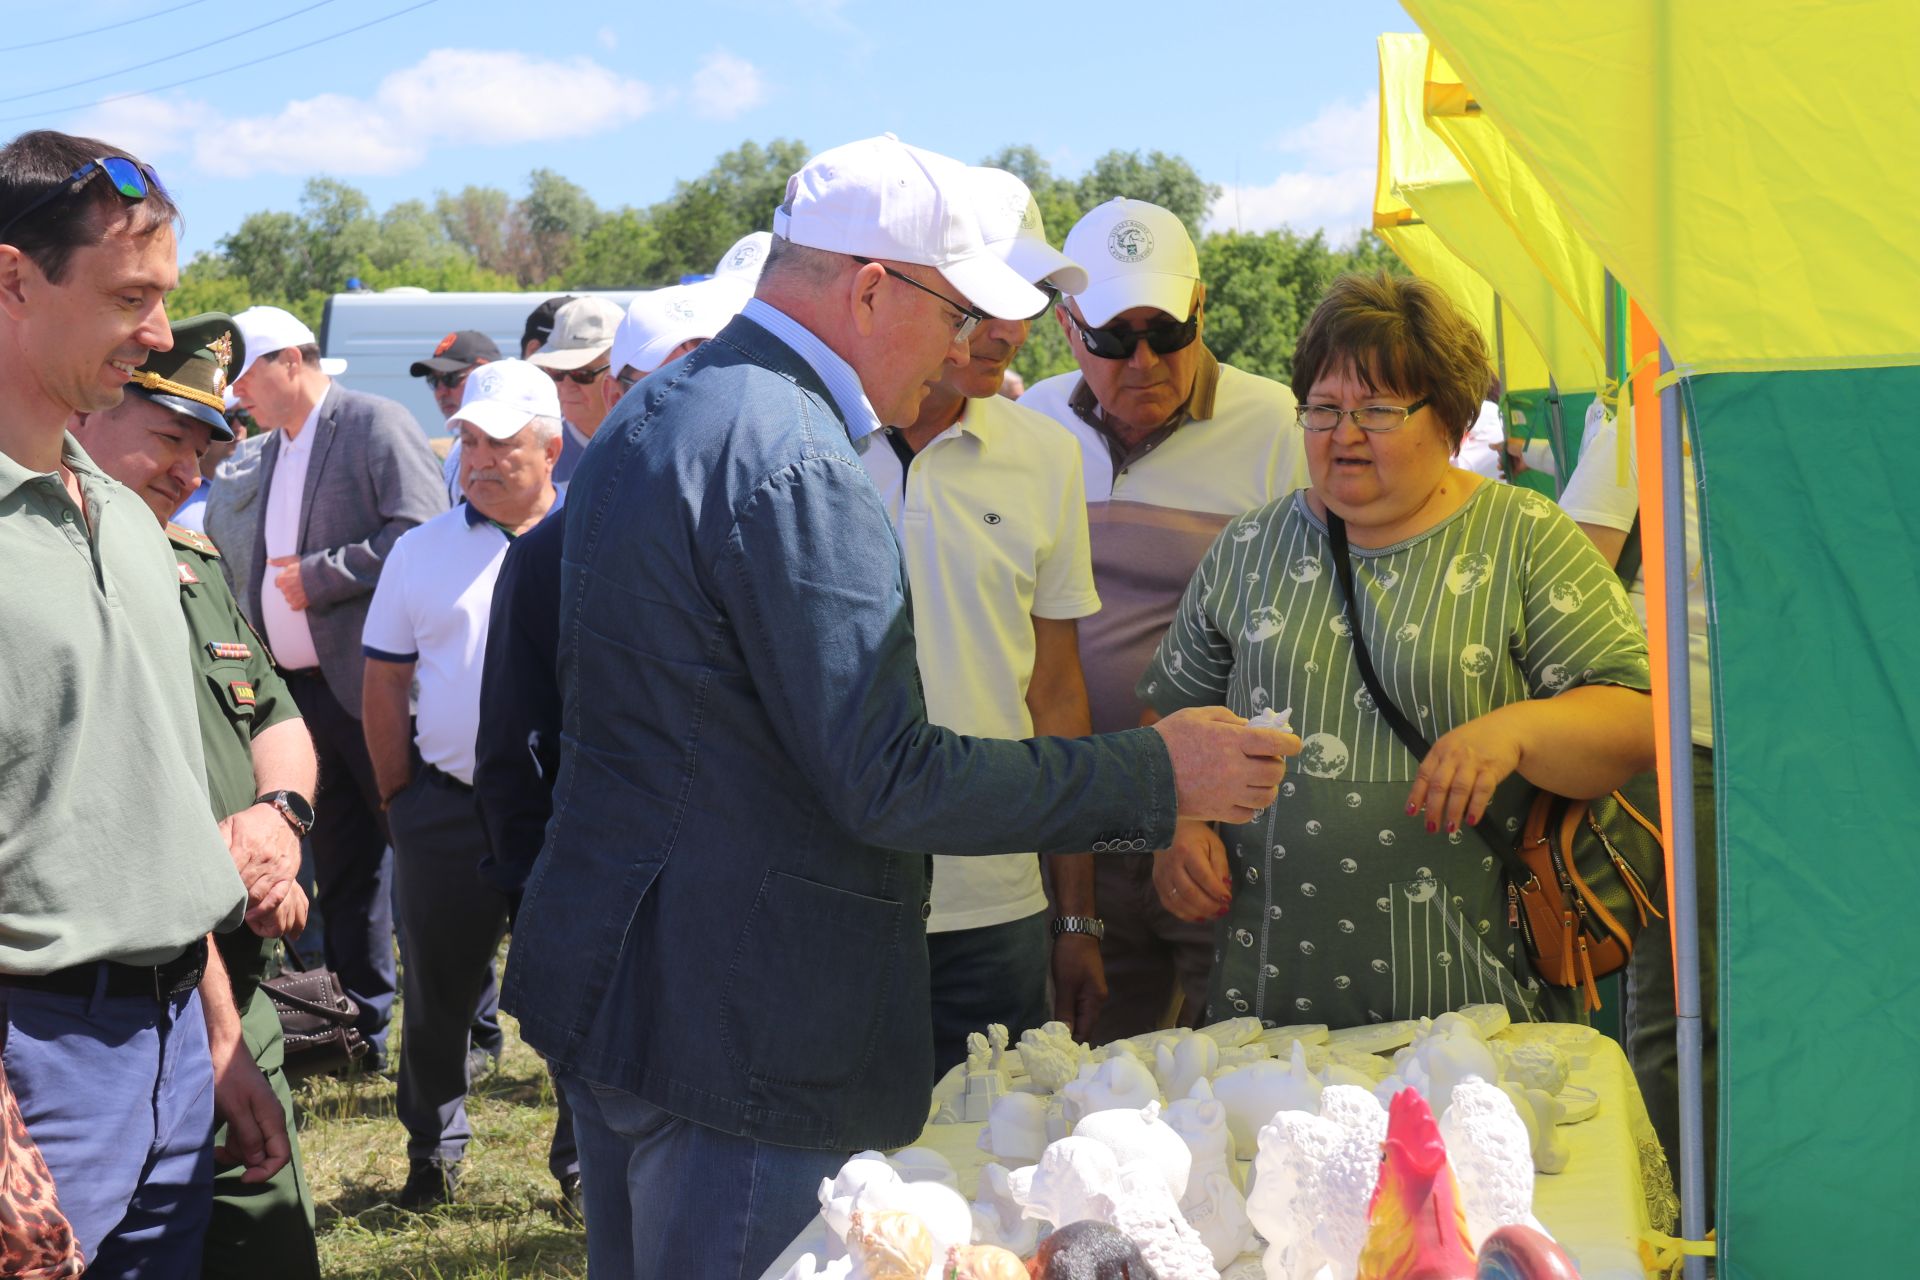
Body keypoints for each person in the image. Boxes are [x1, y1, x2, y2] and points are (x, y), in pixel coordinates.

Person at [501, 134, 1297, 1280]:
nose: (967, 347)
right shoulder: (797, 455)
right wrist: (1156, 772)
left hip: (639, 988)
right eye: (952, 313)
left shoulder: (666, 409)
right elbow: (888, 773)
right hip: (746, 1023)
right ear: (873, 288)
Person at [1142, 270, 1656, 1028]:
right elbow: (1173, 710)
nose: (1344, 435)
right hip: (1275, 998)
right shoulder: (1249, 546)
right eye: (1323, 409)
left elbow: (1633, 721)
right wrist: (1179, 825)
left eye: (1377, 410)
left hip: (1474, 1004)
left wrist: (1515, 733)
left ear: (1447, 419)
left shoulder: (1525, 536)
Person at [0, 127, 249, 1272]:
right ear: (12, 278)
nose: (160, 333)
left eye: (166, 299)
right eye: (128, 298)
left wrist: (217, 1026)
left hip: (168, 1051)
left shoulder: (127, 517)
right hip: (36, 1059)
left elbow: (145, 795)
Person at [1020, 198, 1311, 1043]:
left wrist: (1203, 812)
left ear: (1202, 311)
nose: (1142, 360)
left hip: (1224, 830)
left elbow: (1303, 636)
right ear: (1067, 328)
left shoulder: (1281, 429)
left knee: (1247, 1062)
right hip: (1074, 824)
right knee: (1095, 1079)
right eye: (1114, 338)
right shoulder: (1026, 428)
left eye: (1167, 333)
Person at [68, 311, 322, 1280]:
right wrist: (219, 1026)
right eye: (169, 438)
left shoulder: (193, 562)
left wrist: (280, 821)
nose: (190, 470)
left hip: (239, 973)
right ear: (92, 410)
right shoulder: (60, 570)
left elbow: (277, 715)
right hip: (148, 979)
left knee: (267, 1240)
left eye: (206, 449)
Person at [853, 164, 1106, 1065]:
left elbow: (1057, 695)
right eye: (988, 295)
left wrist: (1076, 913)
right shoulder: (807, 441)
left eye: (1032, 296)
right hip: (830, 899)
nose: (1012, 325)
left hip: (997, 906)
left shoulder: (1048, 456)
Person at [210, 303, 448, 1066]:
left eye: (243, 371)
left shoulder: (373, 422)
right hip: (305, 695)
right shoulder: (276, 446)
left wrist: (321, 574)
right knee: (344, 869)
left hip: (372, 688)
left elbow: (420, 529)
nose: (234, 391)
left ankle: (461, 1036)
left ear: (289, 360)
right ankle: (360, 1029)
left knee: (419, 863)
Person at [360, 360, 569, 1209]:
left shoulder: (596, 539)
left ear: (552, 447)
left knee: (573, 996)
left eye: (502, 443)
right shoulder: (422, 550)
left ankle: (584, 1168)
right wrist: (400, 801)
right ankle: (431, 1156)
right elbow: (383, 683)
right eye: (469, 440)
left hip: (564, 814)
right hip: (447, 810)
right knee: (438, 995)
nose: (478, 459)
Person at [1560, 402, 1717, 1220]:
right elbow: (1569, 593)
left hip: (1790, 746)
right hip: (1672, 742)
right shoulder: (1646, 413)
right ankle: (1679, 1221)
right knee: (1684, 1005)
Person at [529, 295, 623, 485]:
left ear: (620, 371)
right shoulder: (538, 452)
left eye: (582, 374)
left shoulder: (656, 444)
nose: (565, 385)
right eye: (556, 372)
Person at [413, 328, 501, 504]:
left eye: (451, 378)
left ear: (486, 374)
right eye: (433, 381)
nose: (441, 391)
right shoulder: (459, 442)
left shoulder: (511, 441)